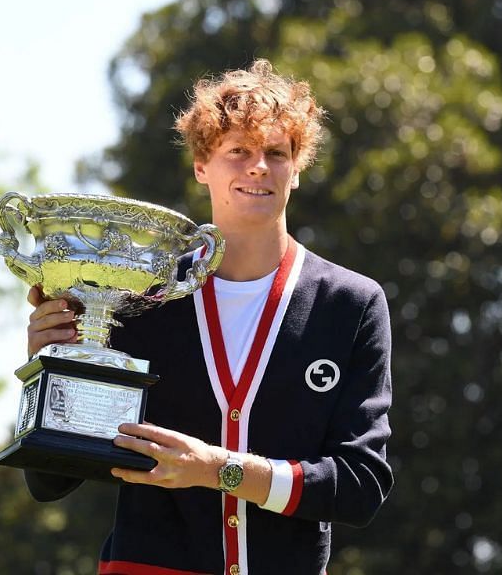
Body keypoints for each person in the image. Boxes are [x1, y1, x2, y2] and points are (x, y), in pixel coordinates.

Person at [23, 60, 393, 574]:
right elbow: (49, 482)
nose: (258, 166)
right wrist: (53, 370)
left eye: (276, 153)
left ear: (298, 169)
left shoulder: (350, 304)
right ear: (202, 166)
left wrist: (222, 470)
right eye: (238, 150)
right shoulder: (139, 296)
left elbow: (360, 487)